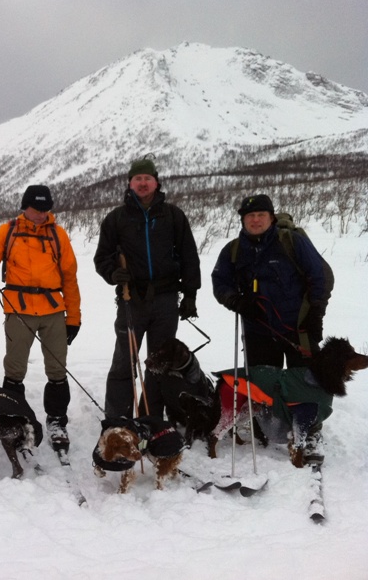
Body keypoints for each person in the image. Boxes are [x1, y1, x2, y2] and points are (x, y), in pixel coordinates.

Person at [0, 185, 81, 452]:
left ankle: (56, 422)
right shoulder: (8, 231)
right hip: (18, 309)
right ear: (25, 207)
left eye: (45, 209)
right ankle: (14, 418)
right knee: (15, 369)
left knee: (57, 370)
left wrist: (74, 317)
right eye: (36, 209)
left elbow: (69, 277)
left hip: (53, 310)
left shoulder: (58, 234)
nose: (41, 214)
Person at [93, 157, 201, 420]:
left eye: (147, 178)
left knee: (160, 364)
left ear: (156, 182)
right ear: (130, 184)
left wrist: (190, 294)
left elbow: (189, 255)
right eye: (137, 179)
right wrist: (112, 272)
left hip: (165, 300)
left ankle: (150, 418)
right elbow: (102, 257)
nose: (142, 183)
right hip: (132, 299)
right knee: (124, 362)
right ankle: (118, 420)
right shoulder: (116, 218)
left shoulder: (173, 215)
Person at [211, 194, 329, 367]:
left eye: (261, 215)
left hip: (298, 328)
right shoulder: (232, 250)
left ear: (271, 218)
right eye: (250, 215)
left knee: (306, 387)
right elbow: (220, 282)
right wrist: (236, 301)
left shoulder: (291, 241)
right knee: (263, 390)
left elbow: (320, 277)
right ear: (243, 219)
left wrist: (316, 313)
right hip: (257, 331)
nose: (256, 220)